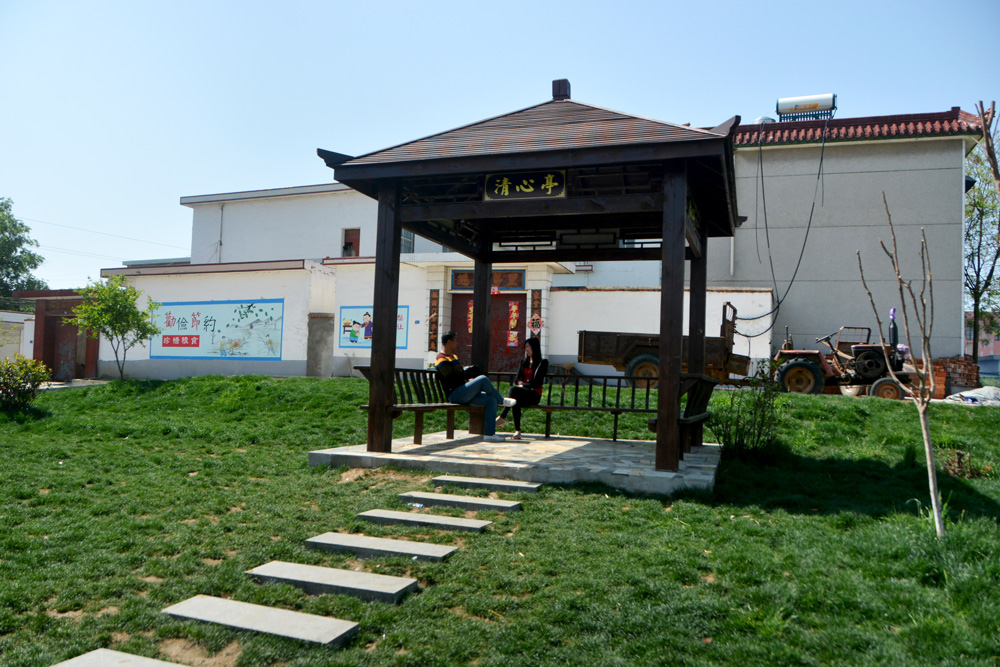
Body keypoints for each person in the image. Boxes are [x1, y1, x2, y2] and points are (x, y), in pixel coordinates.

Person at [435, 331, 516, 443]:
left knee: (491, 400)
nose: (457, 343)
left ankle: (489, 434)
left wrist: (468, 380)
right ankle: (501, 401)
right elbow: (451, 380)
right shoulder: (441, 359)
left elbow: (459, 376)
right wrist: (466, 379)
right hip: (455, 394)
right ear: (449, 342)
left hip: (463, 391)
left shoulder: (453, 357)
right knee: (482, 379)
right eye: (455, 340)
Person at [497, 337, 548, 440]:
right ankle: (517, 431)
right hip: (522, 393)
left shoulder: (542, 363)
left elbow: (537, 383)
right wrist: (520, 383)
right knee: (515, 400)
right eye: (525, 347)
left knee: (514, 391)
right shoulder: (523, 362)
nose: (526, 349)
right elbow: (517, 379)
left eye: (528, 346)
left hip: (534, 395)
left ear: (534, 347)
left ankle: (502, 417)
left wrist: (523, 385)